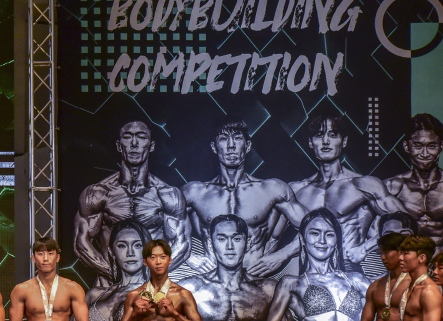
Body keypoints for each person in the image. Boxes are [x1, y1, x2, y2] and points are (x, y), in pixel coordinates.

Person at [182, 117, 305, 277]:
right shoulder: (195, 193)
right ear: (214, 147)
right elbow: (156, 228)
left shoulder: (272, 189)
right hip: (212, 282)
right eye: (224, 139)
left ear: (247, 146)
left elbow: (317, 227)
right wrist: (188, 256)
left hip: (255, 281)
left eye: (237, 138)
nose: (231, 145)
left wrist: (282, 255)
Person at [74, 120, 190, 285]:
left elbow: (183, 245)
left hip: (153, 285)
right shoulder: (97, 193)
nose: (134, 143)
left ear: (151, 146)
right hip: (110, 283)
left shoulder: (168, 195)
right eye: (128, 137)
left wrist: (152, 276)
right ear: (119, 145)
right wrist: (116, 276)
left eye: (141, 137)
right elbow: (81, 243)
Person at [289, 112, 405, 265]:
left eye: (332, 135)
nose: (325, 141)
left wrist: (365, 248)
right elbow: (271, 236)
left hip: (351, 266)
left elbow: (404, 223)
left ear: (344, 141)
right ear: (311, 142)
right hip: (309, 270)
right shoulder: (297, 190)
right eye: (319, 135)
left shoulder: (364, 185)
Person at [385, 114, 443, 247]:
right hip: (407, 258)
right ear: (406, 146)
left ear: (441, 146)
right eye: (418, 146)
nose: (425, 154)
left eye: (432, 146)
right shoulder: (391, 187)